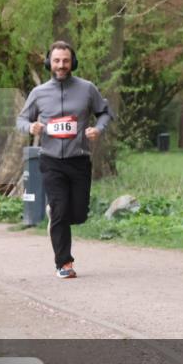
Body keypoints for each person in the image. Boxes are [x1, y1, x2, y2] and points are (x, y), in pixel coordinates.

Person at [16, 40, 114, 279]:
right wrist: (31, 127)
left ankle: (59, 213)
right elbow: (21, 120)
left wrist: (98, 129)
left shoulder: (87, 89)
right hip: (51, 160)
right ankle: (64, 263)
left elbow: (104, 112)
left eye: (66, 61)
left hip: (79, 159)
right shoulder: (38, 93)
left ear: (73, 63)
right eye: (57, 61)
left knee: (78, 213)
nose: (61, 65)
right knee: (60, 212)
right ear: (50, 62)